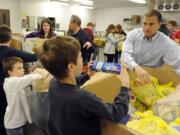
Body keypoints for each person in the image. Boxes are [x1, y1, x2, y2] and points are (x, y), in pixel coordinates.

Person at [39, 36, 130, 135]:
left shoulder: (54, 83)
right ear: (71, 66)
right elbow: (117, 114)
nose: (82, 60)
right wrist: (125, 86)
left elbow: (72, 83)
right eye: (80, 57)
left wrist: (87, 75)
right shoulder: (82, 97)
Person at [121, 9, 180, 83]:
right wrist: (136, 67)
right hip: (128, 74)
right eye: (145, 23)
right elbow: (125, 54)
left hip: (149, 79)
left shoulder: (166, 43)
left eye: (151, 24)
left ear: (159, 25)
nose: (147, 28)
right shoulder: (133, 34)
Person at [0, 24, 38, 135]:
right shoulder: (9, 51)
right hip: (4, 87)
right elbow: (33, 57)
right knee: (7, 112)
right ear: (10, 38)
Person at [2, 57, 42, 135]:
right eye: (19, 68)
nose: (23, 69)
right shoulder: (11, 82)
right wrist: (40, 74)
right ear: (10, 72)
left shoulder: (17, 82)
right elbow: (28, 79)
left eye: (22, 67)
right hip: (13, 125)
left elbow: (26, 80)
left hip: (20, 122)